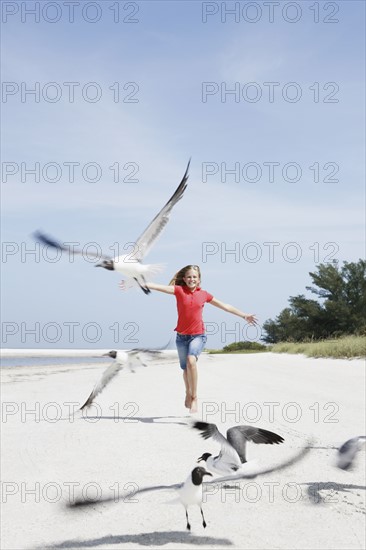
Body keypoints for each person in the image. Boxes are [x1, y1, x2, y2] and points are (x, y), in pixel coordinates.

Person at [119, 265, 257, 414]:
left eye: (195, 277)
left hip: (198, 335)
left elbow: (225, 306)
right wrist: (136, 282)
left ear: (199, 280)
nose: (192, 279)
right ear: (184, 279)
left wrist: (244, 315)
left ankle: (195, 397)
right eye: (189, 277)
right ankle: (188, 392)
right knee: (185, 370)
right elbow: (156, 287)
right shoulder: (179, 291)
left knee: (192, 361)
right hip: (181, 337)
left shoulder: (204, 294)